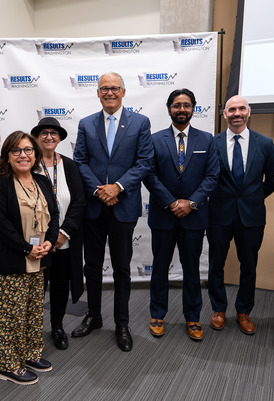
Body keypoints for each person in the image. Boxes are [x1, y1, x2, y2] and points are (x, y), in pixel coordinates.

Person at [72, 72, 154, 352]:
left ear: (123, 91)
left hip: (123, 205)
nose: (109, 92)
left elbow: (144, 162)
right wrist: (99, 190)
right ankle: (94, 316)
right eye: (104, 88)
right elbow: (80, 161)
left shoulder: (140, 123)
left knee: (121, 268)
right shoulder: (85, 124)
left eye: (114, 88)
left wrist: (117, 187)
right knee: (92, 266)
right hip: (94, 207)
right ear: (97, 93)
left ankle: (122, 323)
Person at [143, 89, 219, 341]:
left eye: (186, 105)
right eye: (177, 105)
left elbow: (211, 177)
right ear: (169, 109)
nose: (182, 109)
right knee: (160, 268)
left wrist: (192, 203)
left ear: (194, 109)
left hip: (194, 218)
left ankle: (193, 317)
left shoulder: (207, 140)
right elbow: (149, 175)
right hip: (164, 216)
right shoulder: (154, 140)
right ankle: (157, 314)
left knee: (192, 269)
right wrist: (171, 202)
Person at [0, 131, 59, 385]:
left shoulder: (41, 180)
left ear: (35, 154)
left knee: (33, 310)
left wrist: (49, 242)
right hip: (14, 257)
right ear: (7, 156)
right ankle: (8, 364)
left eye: (28, 150)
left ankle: (30, 354)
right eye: (16, 150)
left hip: (40, 257)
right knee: (10, 314)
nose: (23, 155)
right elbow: (2, 224)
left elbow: (54, 215)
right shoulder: (0, 184)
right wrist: (25, 248)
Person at [207, 95, 274, 335]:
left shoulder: (265, 143)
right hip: (219, 215)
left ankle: (244, 311)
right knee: (216, 264)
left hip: (251, 216)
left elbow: (273, 178)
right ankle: (218, 309)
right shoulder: (212, 143)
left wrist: (255, 197)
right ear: (224, 114)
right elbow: (206, 177)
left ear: (249, 112)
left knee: (249, 266)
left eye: (241, 109)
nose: (236, 113)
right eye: (231, 109)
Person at [31, 117, 86, 350]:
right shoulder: (28, 164)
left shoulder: (70, 166)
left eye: (54, 133)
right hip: (37, 242)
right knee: (35, 288)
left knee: (61, 286)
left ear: (60, 138)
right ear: (36, 137)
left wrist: (63, 232)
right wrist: (45, 239)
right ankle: (31, 331)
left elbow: (79, 202)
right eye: (44, 133)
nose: (49, 137)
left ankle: (57, 326)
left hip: (63, 240)